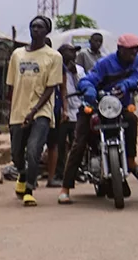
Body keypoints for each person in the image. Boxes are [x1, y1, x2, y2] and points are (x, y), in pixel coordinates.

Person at [59, 33, 138, 205]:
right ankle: (65, 188)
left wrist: (127, 85)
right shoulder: (105, 63)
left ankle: (131, 161)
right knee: (79, 142)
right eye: (130, 50)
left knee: (132, 119)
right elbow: (87, 80)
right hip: (96, 106)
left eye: (136, 50)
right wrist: (89, 90)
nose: (134, 53)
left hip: (118, 107)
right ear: (120, 49)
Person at [7, 16, 62, 207]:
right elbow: (11, 86)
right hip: (18, 110)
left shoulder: (54, 56)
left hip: (41, 111)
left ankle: (29, 189)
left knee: (33, 149)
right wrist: (10, 110)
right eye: (33, 26)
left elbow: (51, 87)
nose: (35, 29)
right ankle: (22, 174)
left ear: (47, 31)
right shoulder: (17, 55)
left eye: (40, 27)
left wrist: (34, 110)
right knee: (16, 154)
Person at [47, 44, 84, 188]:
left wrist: (74, 74)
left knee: (77, 144)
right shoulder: (56, 68)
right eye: (70, 51)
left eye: (74, 52)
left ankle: (77, 171)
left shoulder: (79, 70)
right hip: (63, 112)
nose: (73, 54)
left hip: (78, 111)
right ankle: (59, 172)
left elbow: (82, 87)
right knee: (60, 144)